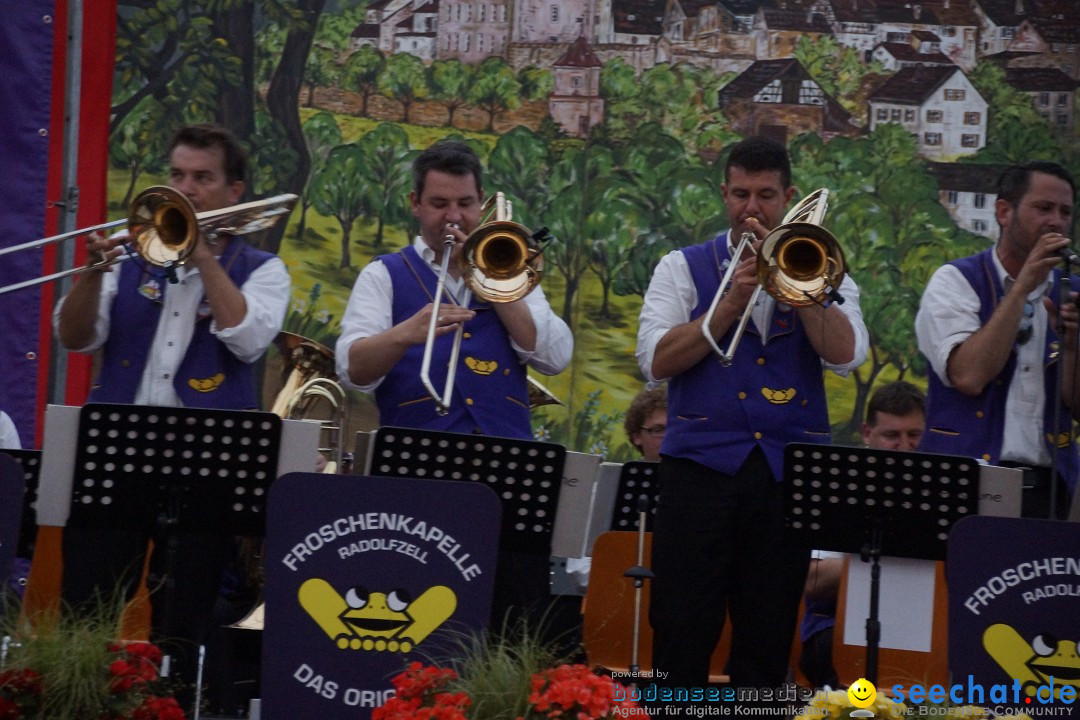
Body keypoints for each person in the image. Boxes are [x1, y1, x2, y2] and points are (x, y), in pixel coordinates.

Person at [53, 123, 290, 701]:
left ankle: (176, 706)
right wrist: (91, 275)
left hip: (207, 476)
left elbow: (246, 339)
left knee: (184, 628)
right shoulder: (130, 261)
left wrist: (204, 255)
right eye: (178, 176)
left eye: (202, 178)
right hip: (114, 460)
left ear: (234, 191)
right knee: (85, 612)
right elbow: (75, 336)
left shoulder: (263, 269)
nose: (186, 189)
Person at [635, 136, 868, 702]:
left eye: (766, 196)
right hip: (699, 475)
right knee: (683, 631)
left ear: (788, 197)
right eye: (740, 194)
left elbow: (848, 354)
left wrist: (807, 291)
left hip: (783, 478)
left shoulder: (824, 267)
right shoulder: (682, 268)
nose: (752, 209)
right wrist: (730, 302)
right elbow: (655, 361)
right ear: (724, 195)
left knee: (766, 642)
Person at [335, 139, 572, 440]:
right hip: (415, 457)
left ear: (481, 200)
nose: (454, 217)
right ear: (415, 203)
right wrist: (405, 333)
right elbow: (352, 371)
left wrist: (490, 279)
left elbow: (556, 358)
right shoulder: (383, 275)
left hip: (502, 455)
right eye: (439, 204)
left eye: (465, 203)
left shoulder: (512, 272)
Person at [915, 160, 1078, 520]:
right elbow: (969, 376)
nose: (1056, 221)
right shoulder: (955, 280)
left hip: (1052, 485)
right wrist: (1020, 290)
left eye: (1066, 212)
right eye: (1043, 208)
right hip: (966, 480)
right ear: (1004, 211)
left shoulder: (1073, 293)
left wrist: (1072, 346)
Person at [798, 380, 926, 689]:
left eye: (914, 435)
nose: (905, 446)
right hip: (837, 627)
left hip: (920, 626)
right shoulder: (835, 486)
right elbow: (812, 581)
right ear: (867, 433)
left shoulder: (940, 489)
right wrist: (878, 557)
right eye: (892, 436)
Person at [623, 384, 667, 462]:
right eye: (658, 430)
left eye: (679, 430)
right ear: (637, 436)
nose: (670, 438)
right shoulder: (617, 474)